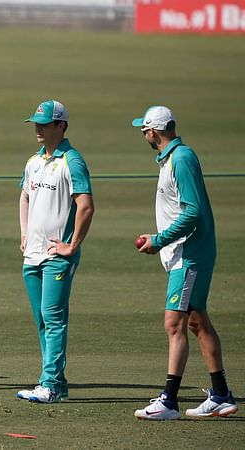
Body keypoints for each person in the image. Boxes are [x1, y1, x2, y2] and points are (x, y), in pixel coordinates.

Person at [131, 106, 238, 420]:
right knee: (196, 322)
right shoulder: (172, 159)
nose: (142, 133)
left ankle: (168, 401)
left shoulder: (181, 159)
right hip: (185, 254)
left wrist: (159, 239)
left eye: (144, 128)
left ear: (154, 131)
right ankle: (220, 395)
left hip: (189, 255)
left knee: (173, 323)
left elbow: (192, 212)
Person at [16, 100, 94, 403]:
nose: (38, 128)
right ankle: (56, 385)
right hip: (32, 255)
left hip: (57, 257)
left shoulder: (71, 161)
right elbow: (24, 196)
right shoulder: (33, 162)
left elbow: (86, 206)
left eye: (45, 123)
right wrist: (24, 233)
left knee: (53, 317)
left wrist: (72, 245)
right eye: (36, 122)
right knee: (42, 320)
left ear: (61, 125)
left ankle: (48, 383)